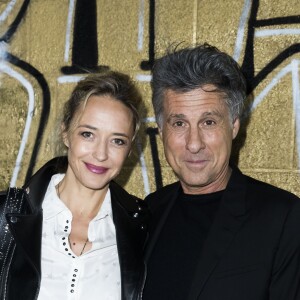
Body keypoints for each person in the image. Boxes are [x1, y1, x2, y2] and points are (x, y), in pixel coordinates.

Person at [141, 44, 300, 300]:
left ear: (234, 125)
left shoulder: (282, 218)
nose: (194, 143)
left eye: (209, 122)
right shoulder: (149, 212)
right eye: (179, 123)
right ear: (161, 130)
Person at [0, 71, 149, 300]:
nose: (100, 154)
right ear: (66, 133)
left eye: (117, 141)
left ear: (129, 150)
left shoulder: (143, 230)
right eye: (88, 134)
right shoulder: (7, 215)